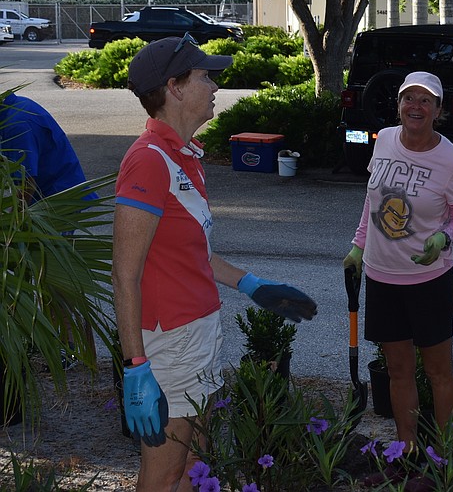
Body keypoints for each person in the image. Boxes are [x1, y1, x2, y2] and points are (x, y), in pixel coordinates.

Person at [113, 34, 317, 492]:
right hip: (170, 342)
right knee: (163, 475)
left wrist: (251, 284)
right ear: (175, 87)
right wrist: (136, 366)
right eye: (205, 75)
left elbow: (195, 254)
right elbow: (125, 274)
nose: (215, 85)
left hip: (198, 332)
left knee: (193, 466)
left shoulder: (185, 157)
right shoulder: (147, 161)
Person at [343, 71, 453, 489]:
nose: (415, 107)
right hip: (382, 277)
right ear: (398, 104)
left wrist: (443, 237)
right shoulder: (384, 140)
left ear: (438, 110)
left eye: (425, 101)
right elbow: (371, 200)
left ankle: (445, 456)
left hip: (428, 281)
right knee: (398, 371)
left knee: (439, 373)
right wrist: (358, 246)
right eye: (408, 99)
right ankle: (408, 452)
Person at [1, 91, 98, 368]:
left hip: (58, 205)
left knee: (55, 281)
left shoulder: (17, 122)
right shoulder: (11, 111)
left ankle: (70, 350)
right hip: (49, 200)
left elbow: (24, 183)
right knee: (43, 277)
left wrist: (10, 227)